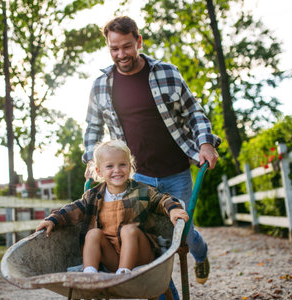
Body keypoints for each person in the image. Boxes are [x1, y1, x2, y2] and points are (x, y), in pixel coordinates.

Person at [82, 16, 221, 284]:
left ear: (139, 41)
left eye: (126, 46)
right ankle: (164, 292)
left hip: (175, 170)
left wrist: (205, 143)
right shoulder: (101, 85)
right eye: (114, 48)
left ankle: (200, 254)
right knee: (149, 241)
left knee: (182, 230)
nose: (121, 54)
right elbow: (92, 128)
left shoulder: (165, 72)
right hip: (136, 176)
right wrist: (91, 159)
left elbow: (193, 110)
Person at [36, 140, 189, 274]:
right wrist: (53, 220)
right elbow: (71, 210)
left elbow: (162, 200)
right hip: (112, 258)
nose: (117, 170)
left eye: (122, 164)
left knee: (128, 230)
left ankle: (124, 273)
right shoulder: (93, 196)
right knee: (93, 233)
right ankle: (90, 274)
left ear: (129, 167)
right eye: (109, 166)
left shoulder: (142, 190)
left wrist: (173, 209)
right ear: (98, 171)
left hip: (141, 255)